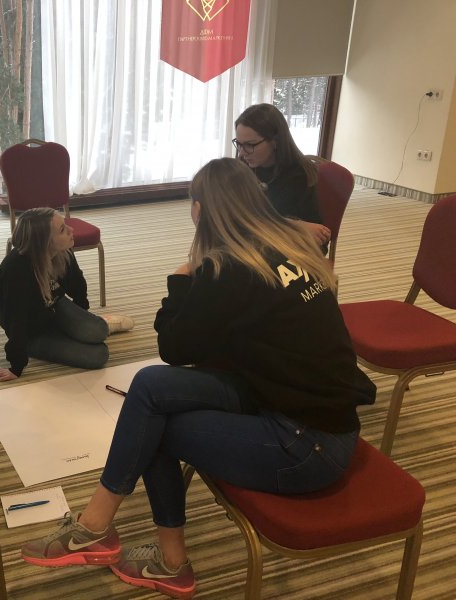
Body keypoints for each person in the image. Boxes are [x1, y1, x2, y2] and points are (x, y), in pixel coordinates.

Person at [19, 158, 376, 599]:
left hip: (306, 444)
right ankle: (101, 529)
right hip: (302, 406)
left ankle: (153, 555)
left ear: (201, 210)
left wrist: (180, 277)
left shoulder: (228, 269)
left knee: (153, 426)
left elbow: (175, 346)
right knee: (150, 386)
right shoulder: (288, 247)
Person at [0, 207, 133, 382]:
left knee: (98, 330)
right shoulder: (16, 270)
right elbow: (16, 321)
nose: (71, 230)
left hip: (54, 304)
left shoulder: (63, 250)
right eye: (62, 229)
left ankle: (104, 325)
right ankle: (87, 330)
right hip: (32, 331)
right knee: (99, 355)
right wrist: (16, 366)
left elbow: (78, 285)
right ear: (45, 242)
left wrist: (82, 321)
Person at [234, 103, 331, 248]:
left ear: (275, 141)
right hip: (256, 243)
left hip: (291, 249)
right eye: (239, 144)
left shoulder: (298, 176)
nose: (242, 153)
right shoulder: (242, 167)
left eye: (250, 145)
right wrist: (295, 225)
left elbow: (317, 239)